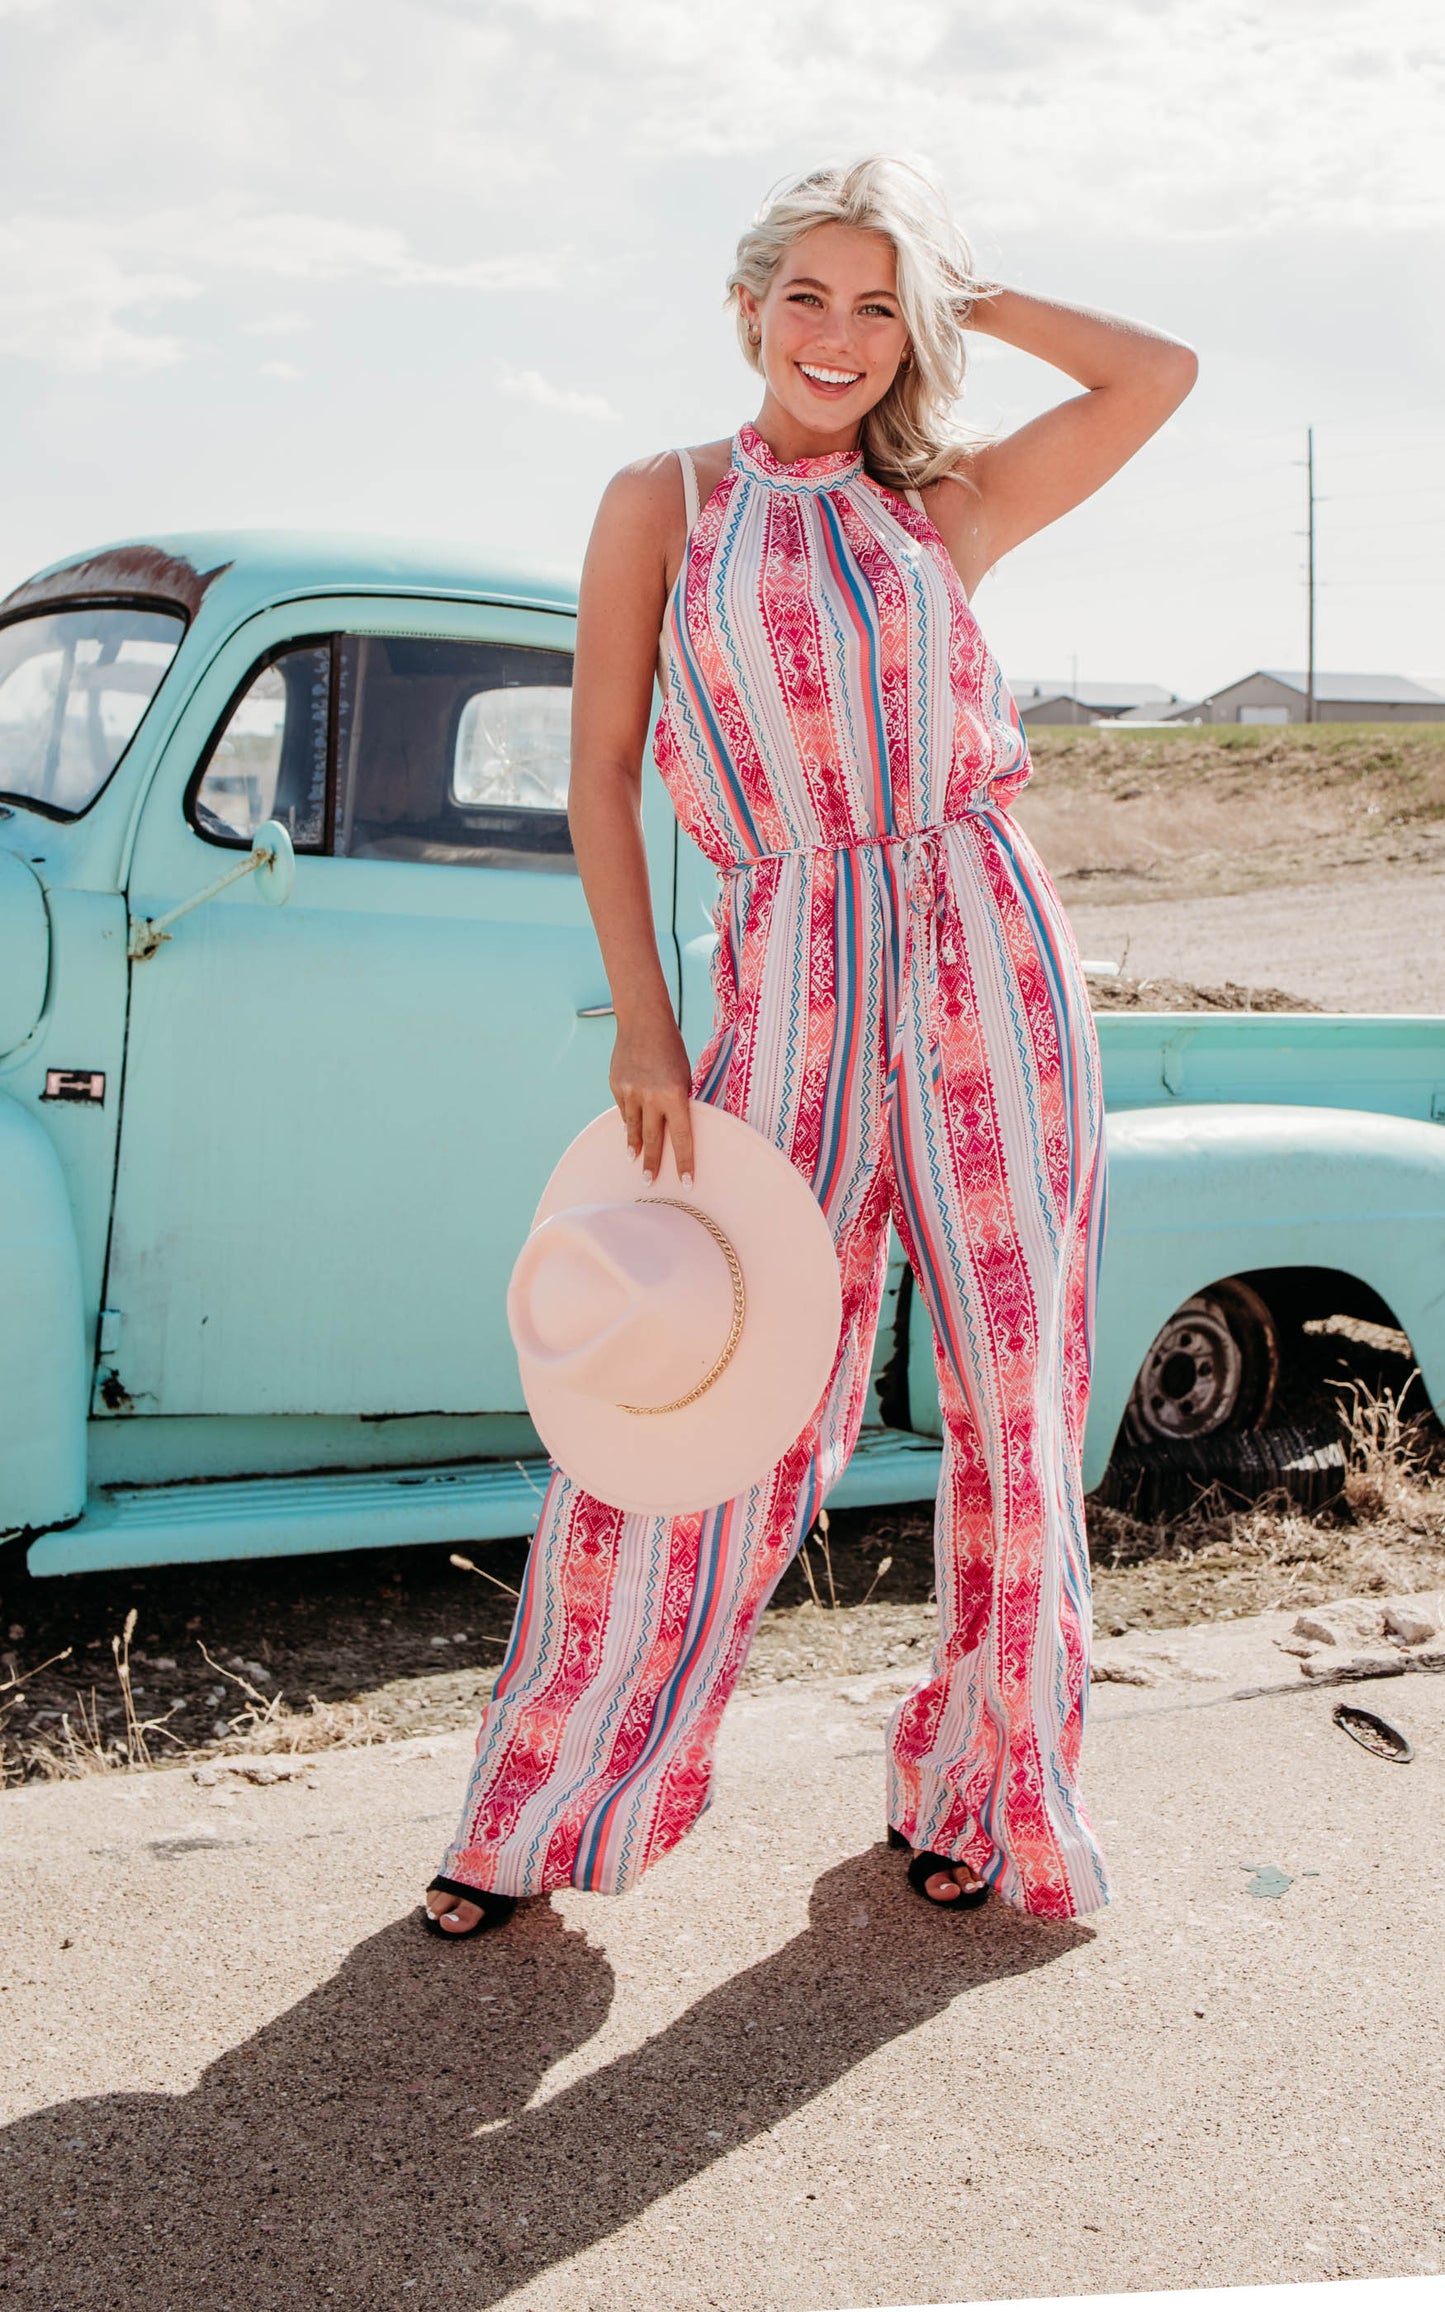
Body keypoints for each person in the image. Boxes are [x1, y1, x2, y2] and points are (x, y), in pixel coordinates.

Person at [425, 155, 1196, 1936]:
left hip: (990, 952)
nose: (837, 338)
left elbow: (1155, 374)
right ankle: (540, 1812)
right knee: (704, 1389)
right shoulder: (664, 501)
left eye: (875, 307)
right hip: (786, 969)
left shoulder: (944, 508)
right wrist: (645, 1018)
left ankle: (987, 1795)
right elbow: (598, 776)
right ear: (746, 307)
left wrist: (957, 287)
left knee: (1015, 1389)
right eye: (807, 298)